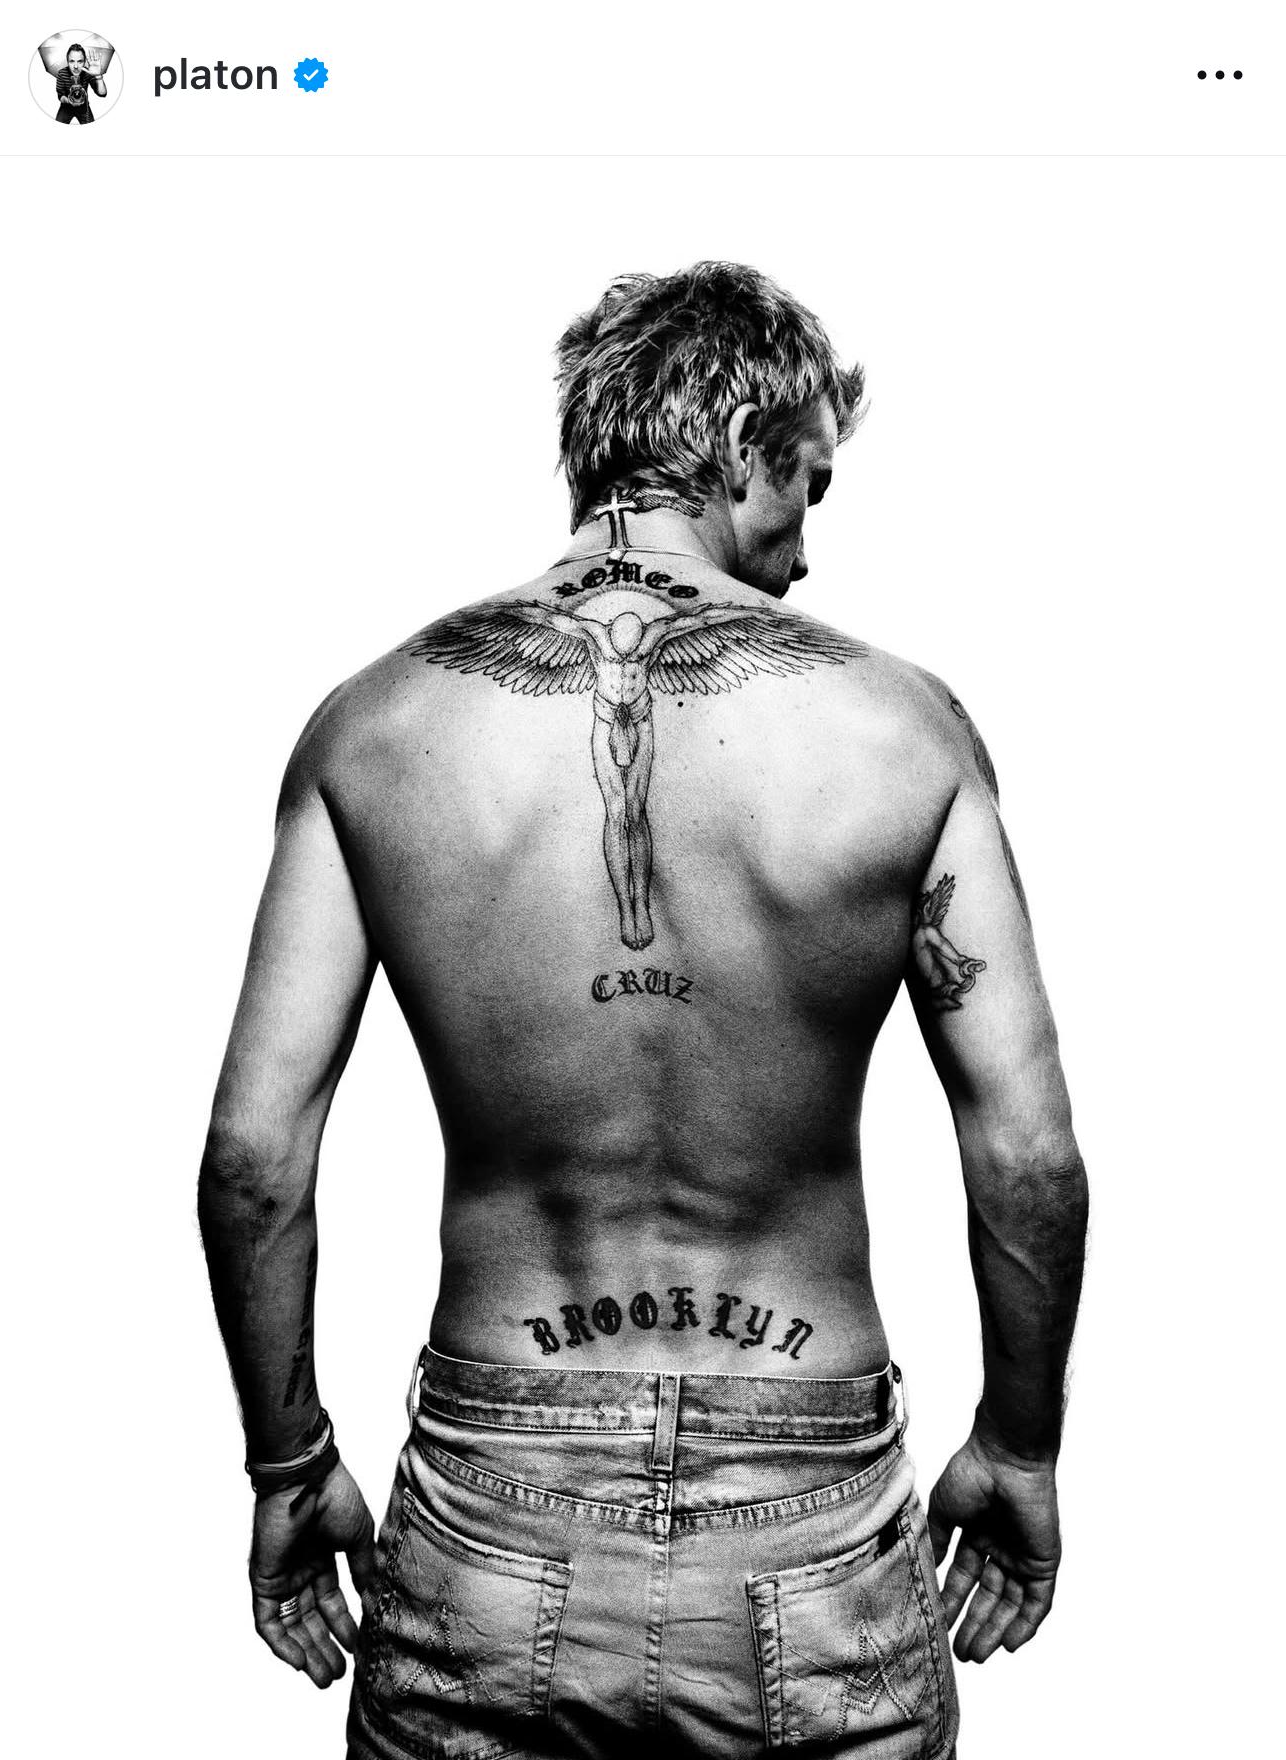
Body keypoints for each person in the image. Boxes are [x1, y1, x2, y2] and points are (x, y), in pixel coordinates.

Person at [198, 261, 1088, 1759]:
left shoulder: (376, 727)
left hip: (495, 1498)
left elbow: (252, 1158)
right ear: (741, 446)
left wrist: (289, 1465)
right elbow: (1029, 1155)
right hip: (803, 1505)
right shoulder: (902, 730)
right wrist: (1021, 1442)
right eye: (807, 485)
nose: (803, 552)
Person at [54, 44, 105, 124]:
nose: (75, 66)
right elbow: (60, 95)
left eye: (80, 61)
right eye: (72, 61)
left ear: (84, 62)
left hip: (84, 107)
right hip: (66, 107)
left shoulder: (88, 72)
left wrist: (98, 76)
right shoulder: (62, 73)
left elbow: (102, 93)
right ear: (67, 62)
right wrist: (68, 101)